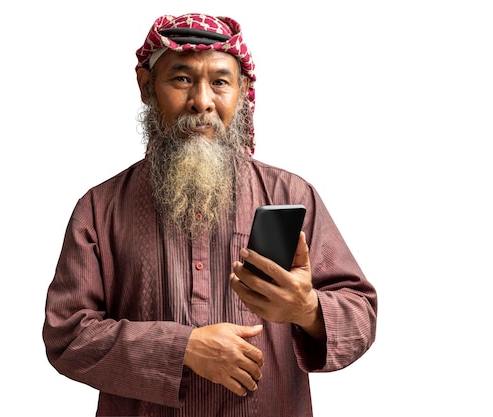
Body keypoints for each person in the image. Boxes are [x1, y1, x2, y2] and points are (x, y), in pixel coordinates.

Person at [42, 13, 377, 417]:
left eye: (219, 82)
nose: (202, 100)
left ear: (242, 90)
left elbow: (360, 314)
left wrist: (306, 309)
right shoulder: (99, 209)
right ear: (146, 87)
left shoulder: (290, 194)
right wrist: (183, 349)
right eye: (182, 79)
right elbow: (66, 335)